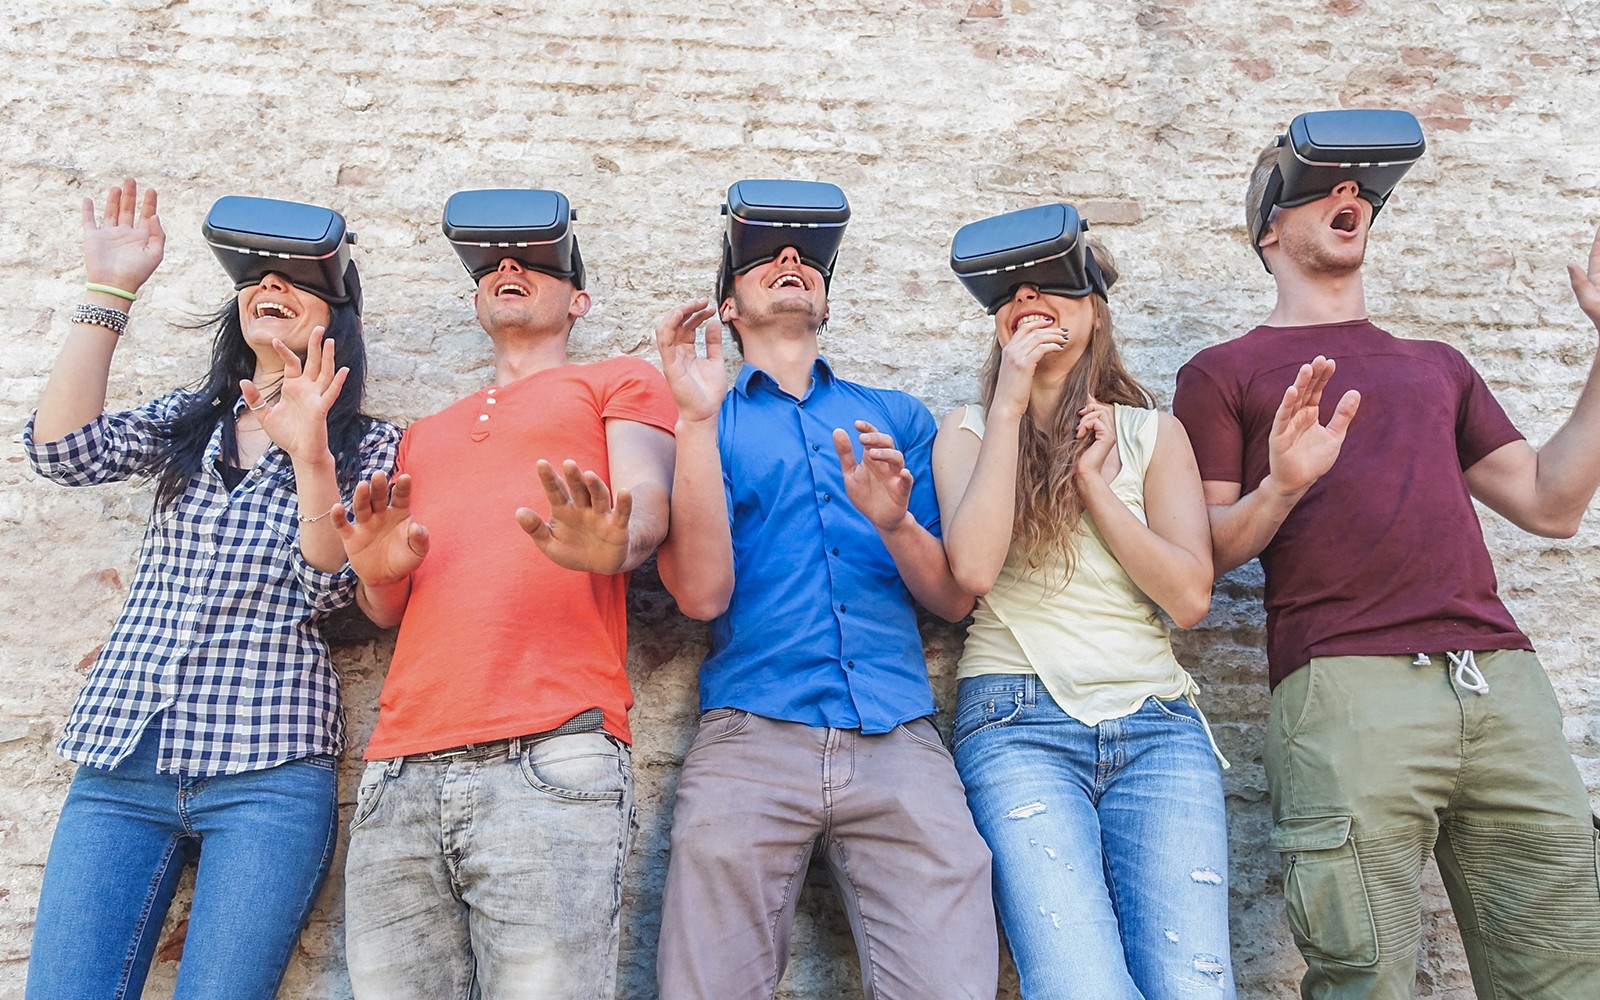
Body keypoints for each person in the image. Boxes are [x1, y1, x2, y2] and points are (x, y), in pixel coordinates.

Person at [1172, 109, 1600, 999]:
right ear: (1269, 229)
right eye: (1322, 188)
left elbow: (1551, 504)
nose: (1349, 197)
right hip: (1346, 690)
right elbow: (1203, 555)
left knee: (1568, 965)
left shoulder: (1437, 363)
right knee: (1365, 974)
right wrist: (1281, 485)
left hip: (1502, 686)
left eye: (1362, 190)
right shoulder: (1223, 372)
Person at [24, 179, 399, 1000]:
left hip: (267, 773)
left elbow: (327, 583)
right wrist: (109, 292)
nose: (271, 286)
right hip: (126, 752)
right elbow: (63, 453)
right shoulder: (187, 421)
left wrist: (310, 455)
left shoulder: (372, 447)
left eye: (298, 278)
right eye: (256, 276)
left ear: (342, 319)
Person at [652, 179, 998, 1000]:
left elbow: (953, 600)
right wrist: (694, 423)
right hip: (750, 734)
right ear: (728, 310)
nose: (789, 261)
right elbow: (701, 596)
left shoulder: (898, 419)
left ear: (828, 305)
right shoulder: (701, 424)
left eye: (809, 260)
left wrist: (894, 521)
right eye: (764, 258)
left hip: (900, 735)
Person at [335, 188, 676, 1000]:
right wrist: (377, 573)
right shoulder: (424, 433)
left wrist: (618, 545)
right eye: (491, 264)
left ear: (578, 299)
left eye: (535, 261)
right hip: (398, 769)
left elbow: (648, 507)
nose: (508, 268)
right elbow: (389, 610)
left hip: (549, 755)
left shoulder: (619, 381)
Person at [934, 203, 1235, 1000]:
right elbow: (970, 568)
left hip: (1158, 728)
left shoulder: (1152, 435)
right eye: (1011, 294)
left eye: (1054, 286)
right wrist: (1009, 401)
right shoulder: (965, 430)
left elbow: (1191, 597)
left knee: (1195, 985)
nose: (1030, 298)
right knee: (1079, 985)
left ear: (1094, 310)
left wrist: (1097, 488)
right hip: (1015, 725)